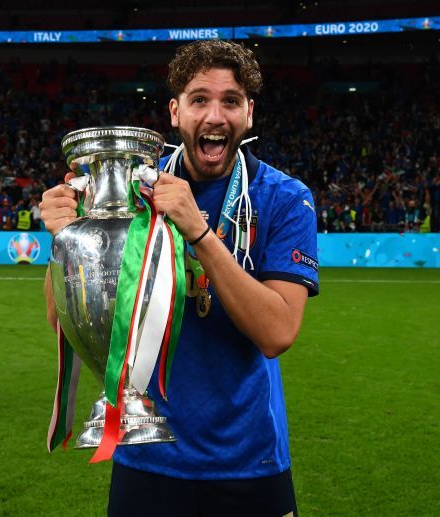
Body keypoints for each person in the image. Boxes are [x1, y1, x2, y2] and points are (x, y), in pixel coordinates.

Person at [40, 40, 319, 516]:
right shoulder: (129, 194)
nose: (215, 116)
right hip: (145, 452)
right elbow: (61, 320)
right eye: (199, 100)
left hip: (248, 460)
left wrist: (200, 233)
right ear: (175, 112)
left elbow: (278, 333)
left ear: (249, 114)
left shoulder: (285, 198)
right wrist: (68, 240)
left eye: (230, 101)